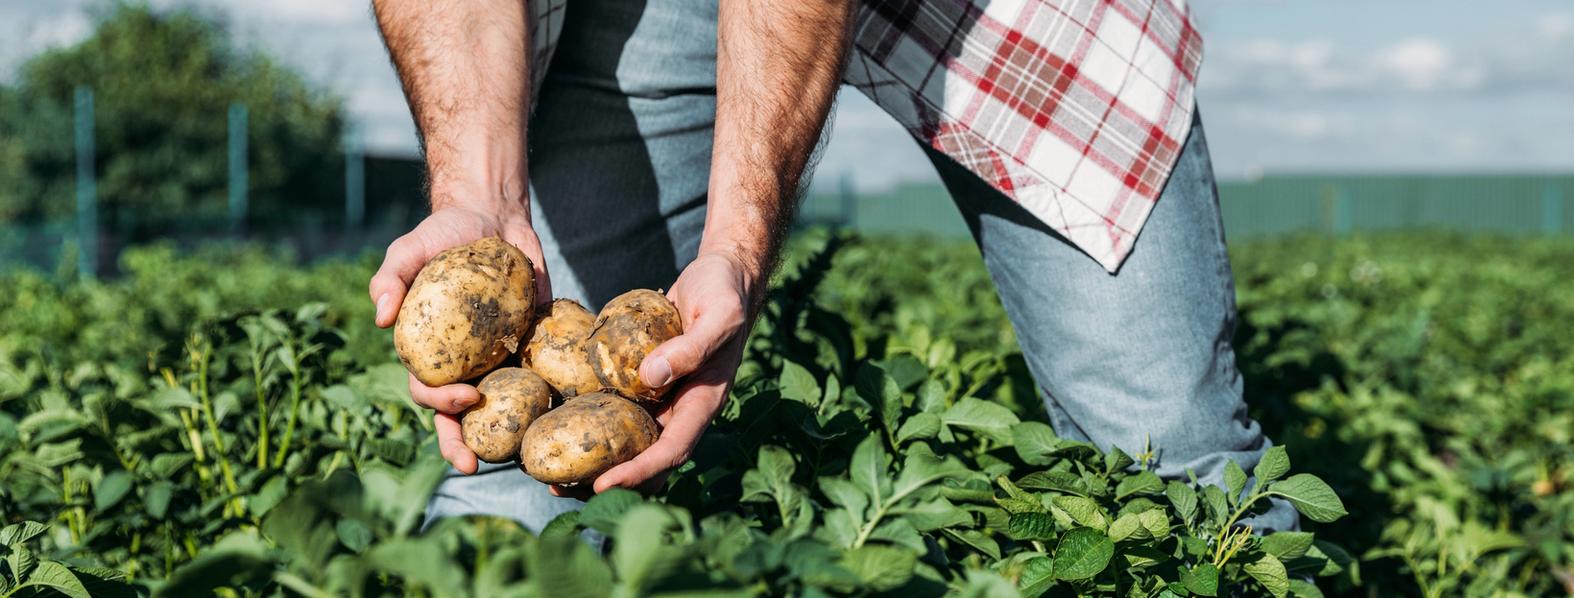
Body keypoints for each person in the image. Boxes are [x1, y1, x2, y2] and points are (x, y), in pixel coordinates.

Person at [366, 0, 1295, 535]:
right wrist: (479, 200)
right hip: (646, 13)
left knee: (1175, 463)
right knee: (519, 490)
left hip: (1005, 18)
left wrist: (734, 251)